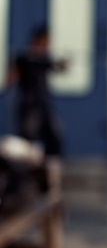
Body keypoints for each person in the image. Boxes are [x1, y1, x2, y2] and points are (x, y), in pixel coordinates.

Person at [9, 26, 67, 157]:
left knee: (55, 139)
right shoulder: (25, 58)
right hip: (30, 107)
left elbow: (57, 67)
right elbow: (13, 76)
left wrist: (62, 64)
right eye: (45, 41)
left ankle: (50, 171)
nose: (47, 45)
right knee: (27, 141)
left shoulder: (45, 59)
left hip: (44, 106)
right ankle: (23, 172)